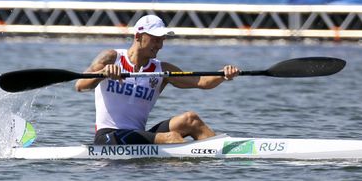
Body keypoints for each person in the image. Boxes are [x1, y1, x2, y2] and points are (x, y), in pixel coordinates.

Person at [75, 14, 240, 145]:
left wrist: (223, 74)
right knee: (170, 137)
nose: (160, 45)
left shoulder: (162, 70)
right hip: (109, 137)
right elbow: (80, 85)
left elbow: (201, 82)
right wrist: (103, 73)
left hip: (139, 136)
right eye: (155, 39)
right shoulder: (111, 57)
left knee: (191, 120)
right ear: (138, 36)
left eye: (162, 40)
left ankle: (224, 152)